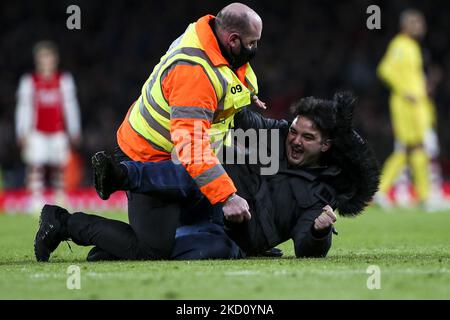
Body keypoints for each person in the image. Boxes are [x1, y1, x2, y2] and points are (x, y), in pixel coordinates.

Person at [34, 3, 266, 262]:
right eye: (252, 43)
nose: (255, 49)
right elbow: (191, 144)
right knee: (152, 250)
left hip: (176, 158)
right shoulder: (194, 72)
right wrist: (227, 197)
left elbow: (225, 81)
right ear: (233, 40)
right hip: (148, 157)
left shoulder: (212, 40)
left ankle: (112, 248)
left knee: (208, 233)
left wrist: (248, 96)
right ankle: (63, 222)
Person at [35, 92, 380, 261]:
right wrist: (236, 88)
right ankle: (120, 173)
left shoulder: (318, 194)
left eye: (307, 138)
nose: (294, 140)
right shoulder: (274, 136)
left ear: (326, 145)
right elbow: (242, 118)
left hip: (229, 235)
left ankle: (66, 224)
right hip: (212, 195)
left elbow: (306, 247)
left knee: (165, 250)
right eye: (294, 131)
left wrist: (319, 234)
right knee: (196, 171)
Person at [15, 41, 82, 212]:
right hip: (37, 131)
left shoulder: (64, 80)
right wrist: (21, 130)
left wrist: (74, 129)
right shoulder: (29, 81)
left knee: (59, 166)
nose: (46, 61)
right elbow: (23, 107)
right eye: (43, 57)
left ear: (55, 59)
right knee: (35, 165)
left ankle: (60, 197)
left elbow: (71, 107)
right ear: (37, 60)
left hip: (58, 130)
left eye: (49, 57)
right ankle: (36, 199)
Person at [375, 9, 430, 208]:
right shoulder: (399, 44)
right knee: (411, 147)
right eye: (417, 22)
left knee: (414, 148)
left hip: (416, 105)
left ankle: (423, 195)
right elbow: (385, 69)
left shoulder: (412, 46)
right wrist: (404, 90)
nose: (421, 27)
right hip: (405, 104)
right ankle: (422, 196)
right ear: (406, 25)